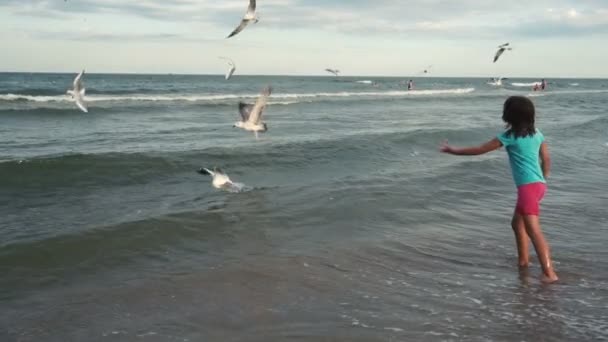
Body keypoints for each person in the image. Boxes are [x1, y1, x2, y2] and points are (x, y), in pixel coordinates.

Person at [440, 96, 558, 283]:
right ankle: (523, 262)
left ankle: (549, 273)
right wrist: (544, 178)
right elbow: (546, 158)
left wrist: (453, 150)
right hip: (538, 185)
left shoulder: (509, 137)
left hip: (527, 189)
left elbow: (480, 149)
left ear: (508, 116)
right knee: (516, 224)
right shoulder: (538, 134)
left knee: (534, 231)